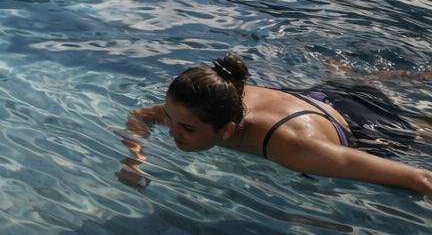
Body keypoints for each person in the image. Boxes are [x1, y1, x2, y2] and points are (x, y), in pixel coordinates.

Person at [119, 54, 431, 195]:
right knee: (353, 86)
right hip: (316, 98)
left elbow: (420, 178)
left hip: (360, 123)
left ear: (226, 131)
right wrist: (134, 160)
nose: (171, 130)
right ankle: (348, 77)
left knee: (419, 135)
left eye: (186, 130)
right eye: (170, 119)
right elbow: (142, 115)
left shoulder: (293, 148)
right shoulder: (200, 105)